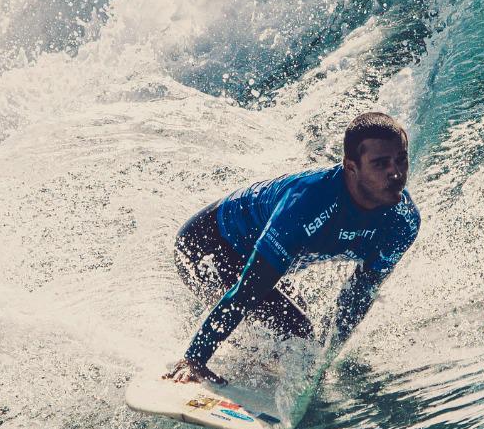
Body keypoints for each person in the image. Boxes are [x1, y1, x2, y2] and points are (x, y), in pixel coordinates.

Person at [167, 112, 420, 384]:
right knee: (296, 332)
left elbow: (358, 295)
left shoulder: (403, 222)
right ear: (351, 167)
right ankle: (193, 362)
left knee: (298, 340)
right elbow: (248, 291)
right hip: (203, 246)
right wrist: (195, 357)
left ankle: (251, 360)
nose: (396, 173)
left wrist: (323, 360)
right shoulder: (308, 206)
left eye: (401, 159)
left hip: (249, 252)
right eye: (380, 164)